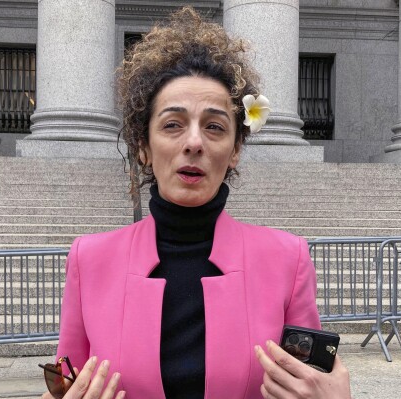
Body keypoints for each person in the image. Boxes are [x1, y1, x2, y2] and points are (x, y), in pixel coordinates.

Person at [41, 6, 351, 399]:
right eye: (172, 124)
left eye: (215, 126)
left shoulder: (287, 259)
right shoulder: (89, 259)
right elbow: (63, 383)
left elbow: (309, 383)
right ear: (143, 147)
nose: (194, 142)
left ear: (235, 149)